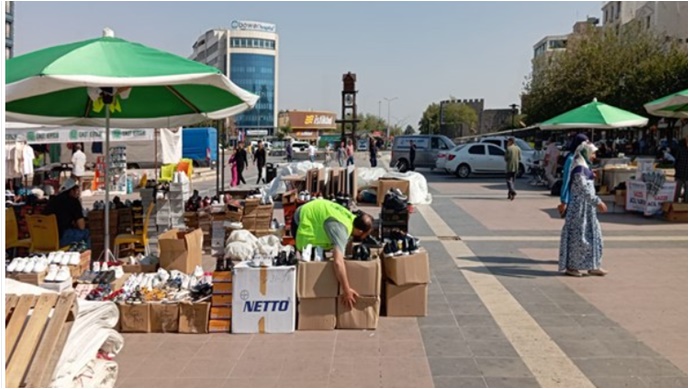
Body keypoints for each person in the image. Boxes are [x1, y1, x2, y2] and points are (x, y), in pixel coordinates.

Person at [292, 199, 374, 308]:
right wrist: (346, 290)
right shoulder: (342, 230)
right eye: (366, 234)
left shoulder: (350, 218)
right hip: (302, 218)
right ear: (359, 231)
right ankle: (301, 299)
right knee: (310, 265)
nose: (366, 237)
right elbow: (338, 263)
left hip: (312, 211)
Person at [558, 141, 608, 277]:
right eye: (593, 153)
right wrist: (598, 202)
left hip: (587, 209)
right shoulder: (579, 167)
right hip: (579, 209)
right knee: (578, 237)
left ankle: (593, 264)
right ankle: (572, 266)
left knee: (593, 235)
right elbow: (583, 189)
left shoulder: (584, 166)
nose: (594, 156)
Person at [44, 178, 90, 247]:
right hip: (63, 237)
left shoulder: (52, 201)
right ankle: (90, 256)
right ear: (71, 191)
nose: (77, 193)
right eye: (76, 191)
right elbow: (82, 226)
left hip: (46, 238)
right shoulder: (73, 202)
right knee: (88, 233)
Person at [558, 134, 589, 217]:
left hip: (583, 200)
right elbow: (566, 179)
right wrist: (564, 200)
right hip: (573, 199)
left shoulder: (583, 158)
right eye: (585, 143)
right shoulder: (571, 159)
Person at [674, 136, 688, 203]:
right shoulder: (680, 150)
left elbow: (676, 161)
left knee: (678, 191)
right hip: (682, 173)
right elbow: (676, 161)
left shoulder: (680, 149)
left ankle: (678, 204)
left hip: (681, 174)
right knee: (679, 191)